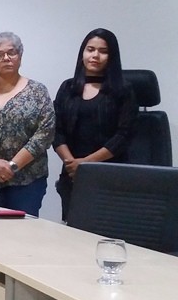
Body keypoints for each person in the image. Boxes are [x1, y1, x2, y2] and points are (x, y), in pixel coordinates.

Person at [52, 28, 137, 222]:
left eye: (103, 51)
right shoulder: (68, 87)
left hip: (111, 175)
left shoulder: (123, 90)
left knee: (107, 231)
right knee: (73, 233)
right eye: (90, 49)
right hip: (72, 174)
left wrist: (87, 164)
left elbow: (123, 135)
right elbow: (57, 131)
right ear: (83, 52)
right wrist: (72, 164)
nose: (95, 55)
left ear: (112, 56)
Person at [0, 32, 54, 219]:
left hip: (28, 179)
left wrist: (12, 166)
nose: (6, 58)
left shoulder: (37, 91)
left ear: (21, 56)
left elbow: (45, 133)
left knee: (22, 234)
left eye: (12, 52)